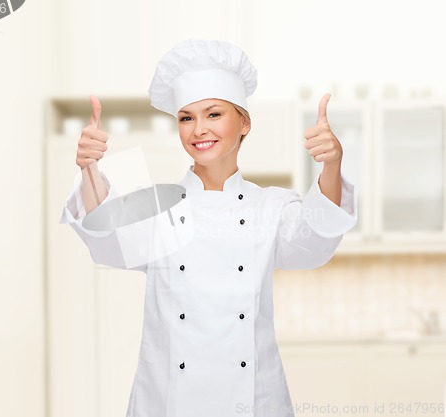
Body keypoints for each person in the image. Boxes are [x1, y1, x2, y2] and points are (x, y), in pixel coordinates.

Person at [59, 38, 357, 417]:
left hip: (253, 402)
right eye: (186, 118)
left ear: (244, 122)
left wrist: (332, 165)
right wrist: (89, 168)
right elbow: (106, 238)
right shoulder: (158, 206)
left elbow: (314, 244)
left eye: (213, 114)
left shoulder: (271, 207)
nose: (199, 129)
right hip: (169, 404)